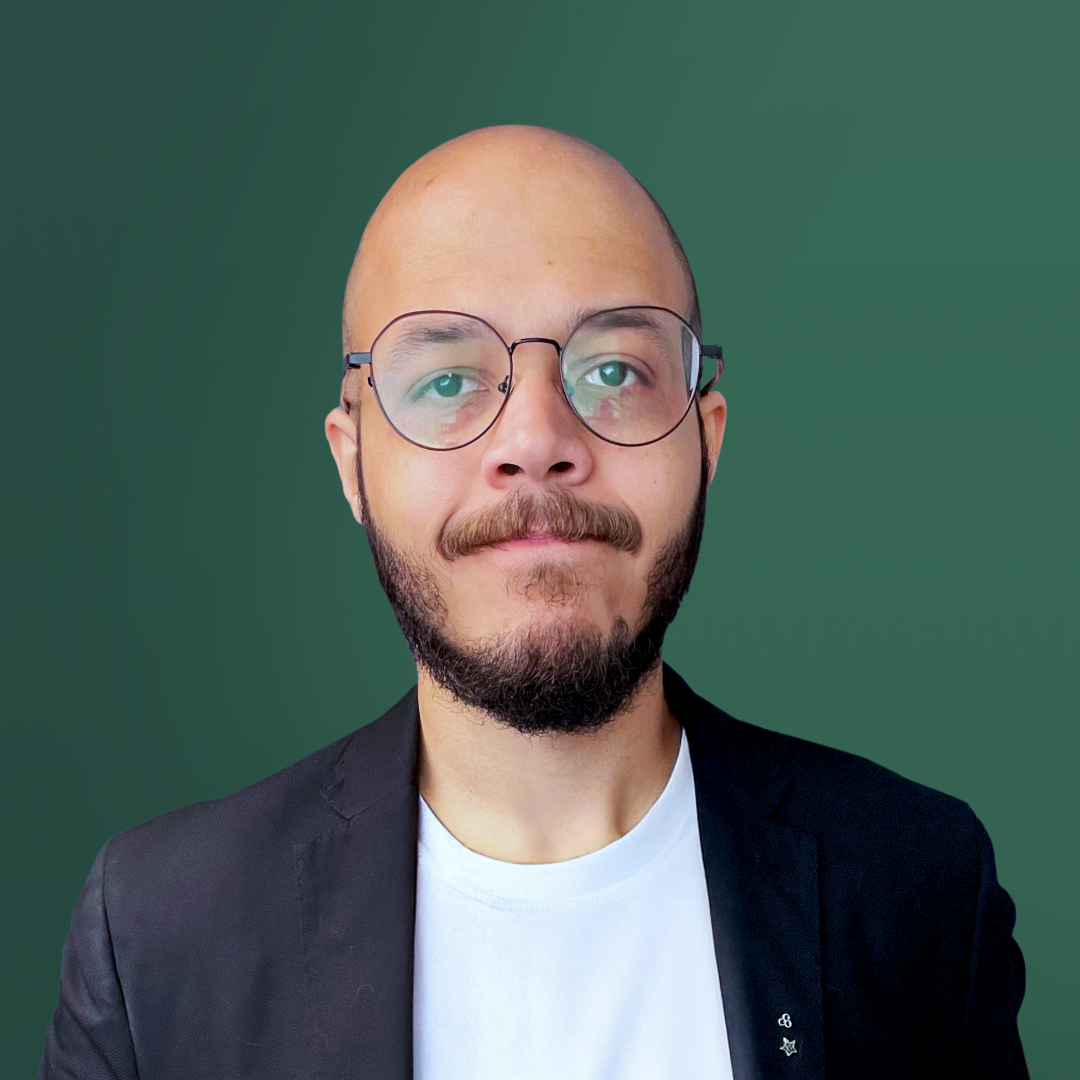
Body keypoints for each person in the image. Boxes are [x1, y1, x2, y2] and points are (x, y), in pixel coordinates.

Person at [38, 125, 1028, 1079]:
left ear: (707, 440)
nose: (537, 441)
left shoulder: (917, 890)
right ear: (353, 462)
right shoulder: (157, 939)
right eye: (447, 380)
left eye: (614, 371)